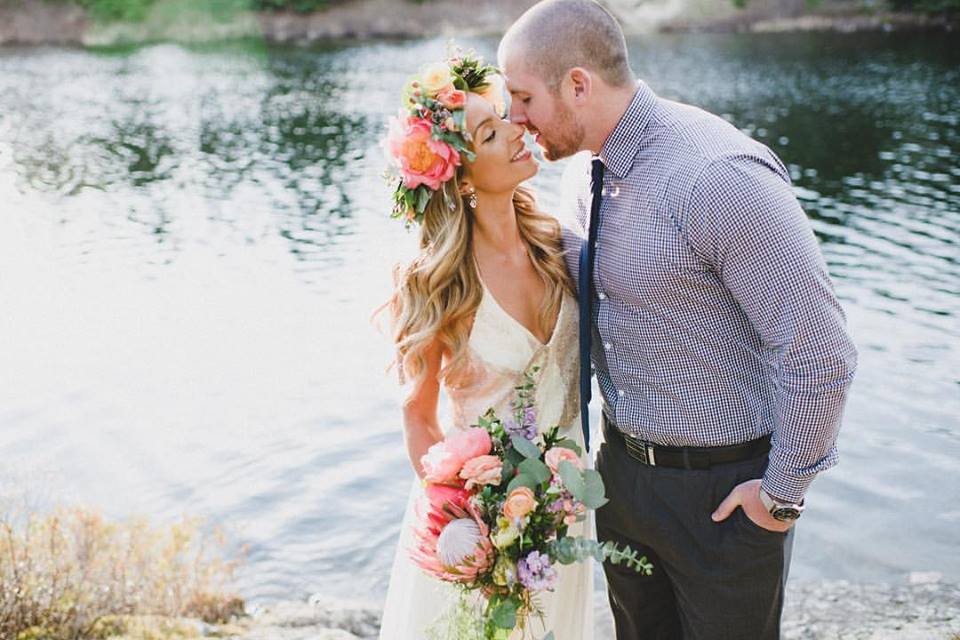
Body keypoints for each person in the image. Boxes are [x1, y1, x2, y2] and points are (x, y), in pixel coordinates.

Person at [498, 1, 858, 638]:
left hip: (723, 496)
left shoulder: (717, 176)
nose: (514, 117)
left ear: (578, 84)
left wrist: (779, 496)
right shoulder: (582, 171)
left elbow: (818, 348)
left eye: (523, 97)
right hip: (621, 479)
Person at [377, 52, 593, 640]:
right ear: (463, 179)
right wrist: (470, 524)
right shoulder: (436, 283)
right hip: (478, 527)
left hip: (565, 509)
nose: (518, 130)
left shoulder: (558, 246)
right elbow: (419, 417)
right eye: (492, 133)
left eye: (505, 118)